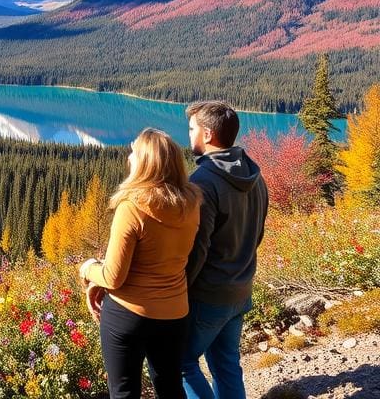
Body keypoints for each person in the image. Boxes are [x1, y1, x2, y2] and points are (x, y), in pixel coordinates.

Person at [79, 128, 202, 399]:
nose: (129, 156)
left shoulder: (132, 207)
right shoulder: (192, 204)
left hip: (128, 314)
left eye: (134, 152)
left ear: (145, 162)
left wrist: (88, 269)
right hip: (174, 313)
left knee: (124, 391)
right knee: (170, 387)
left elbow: (113, 277)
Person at [181, 101, 269, 399]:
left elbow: (197, 250)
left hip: (208, 296)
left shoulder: (203, 183)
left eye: (191, 129)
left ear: (207, 134)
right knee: (226, 364)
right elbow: (257, 234)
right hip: (241, 290)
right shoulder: (256, 177)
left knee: (179, 362)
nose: (188, 135)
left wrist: (179, 289)